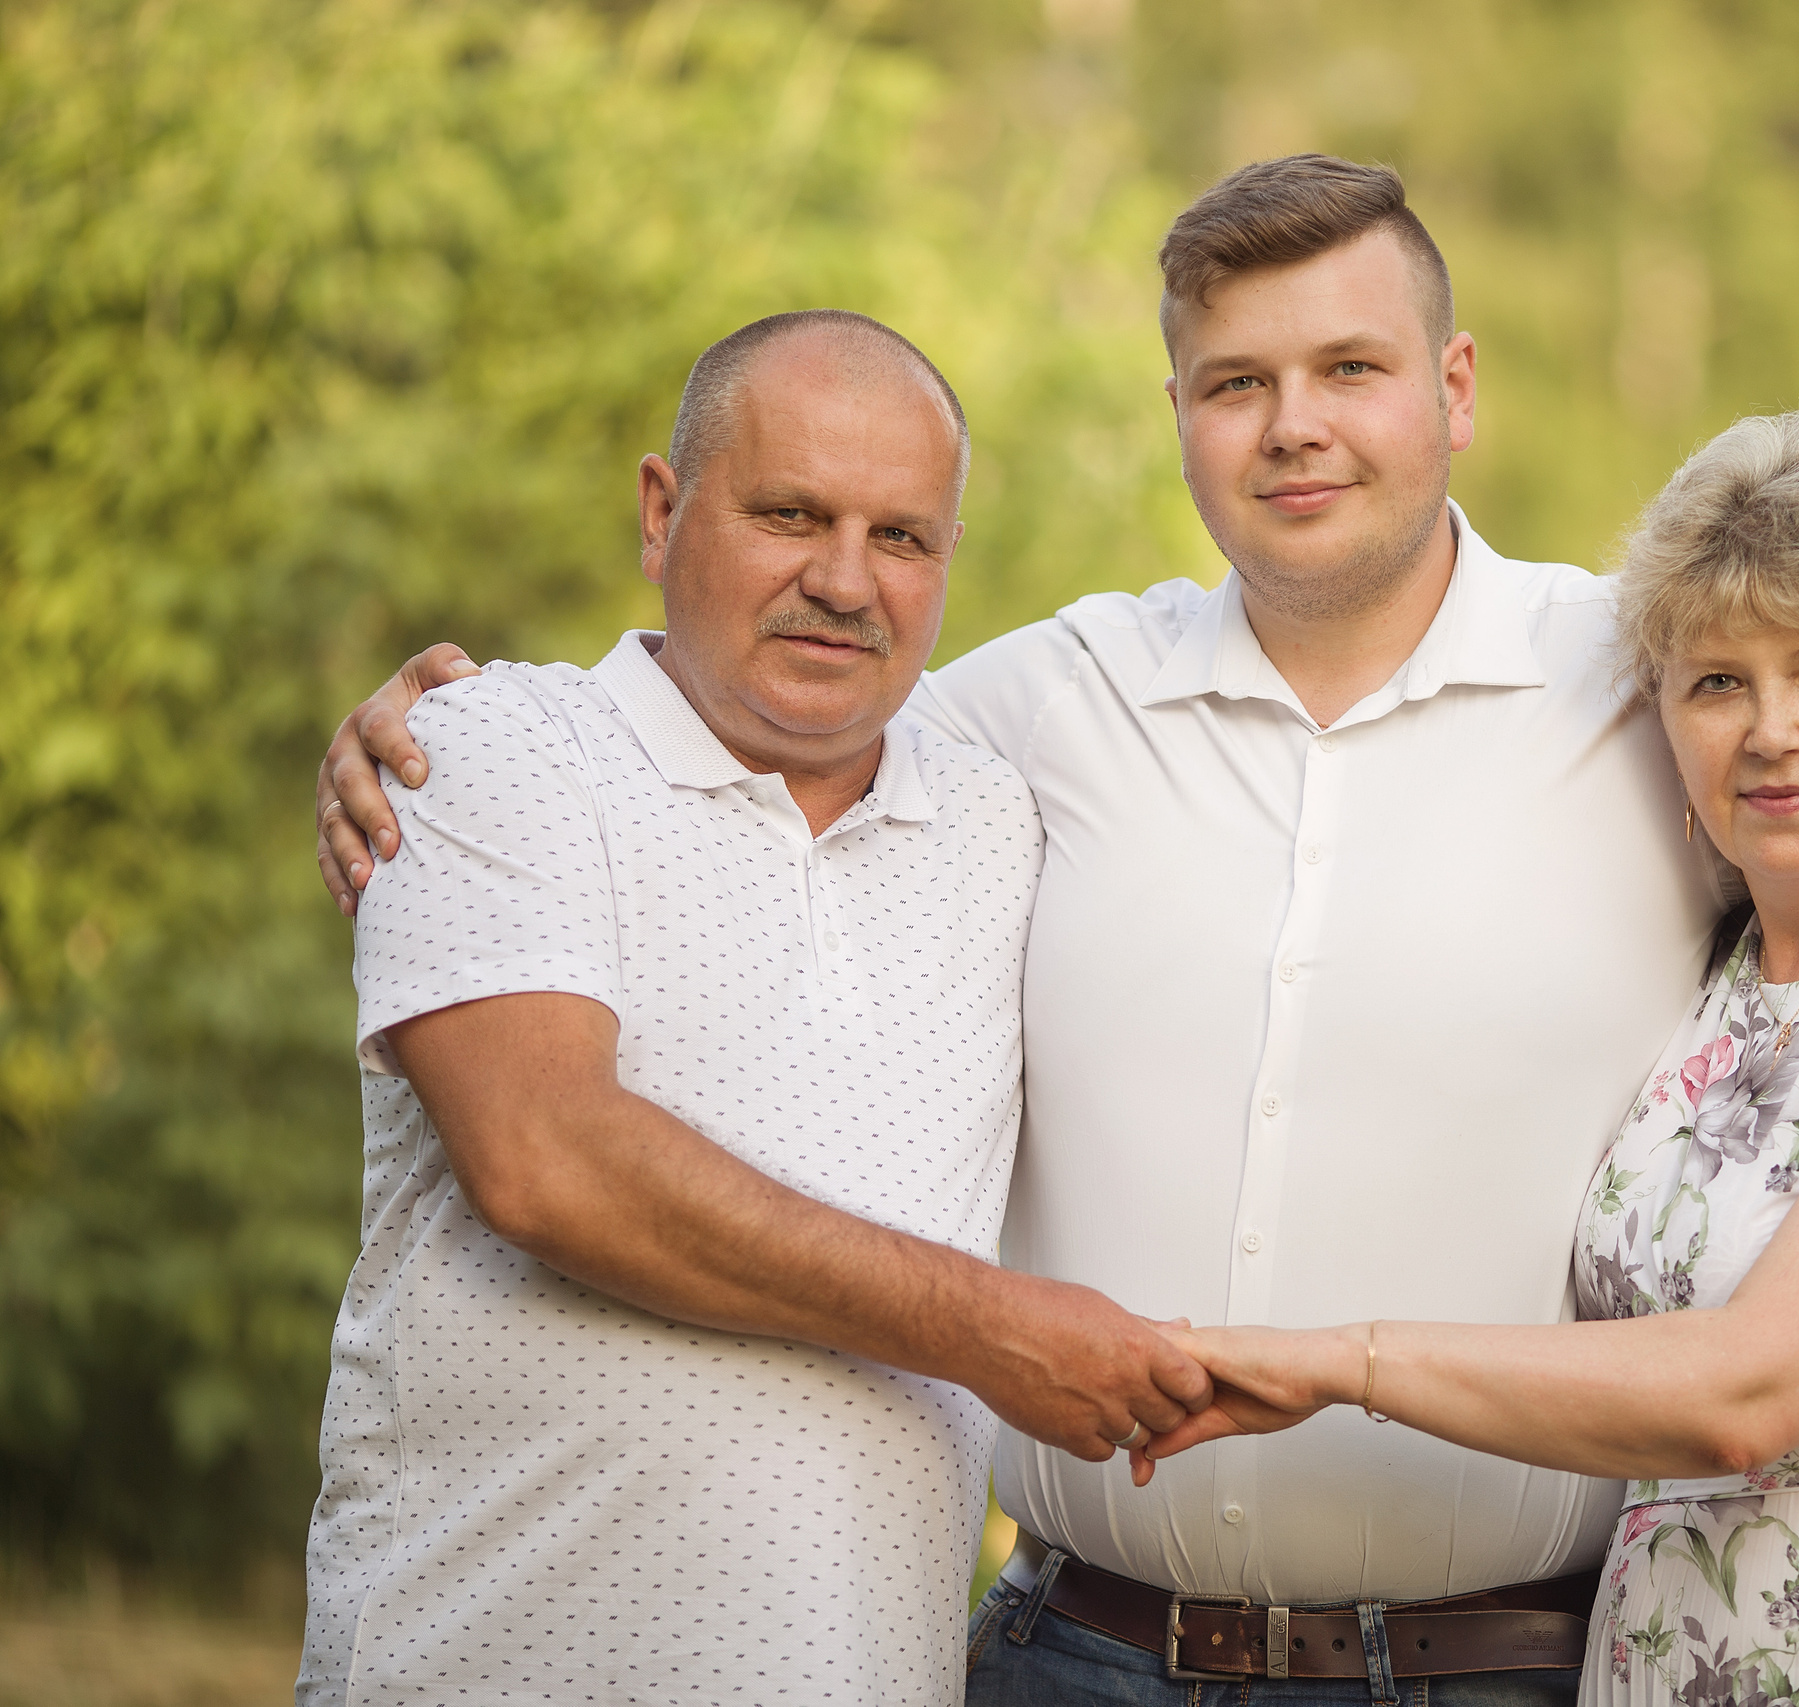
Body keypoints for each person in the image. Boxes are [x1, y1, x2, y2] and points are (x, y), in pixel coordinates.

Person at [312, 160, 1799, 1703]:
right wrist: (460, 737)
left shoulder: (1662, 678)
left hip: (1507, 1667)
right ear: (1181, 420)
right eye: (1237, 384)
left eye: (1349, 369)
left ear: (1452, 390)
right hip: (1080, 1657)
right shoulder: (1037, 707)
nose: (1295, 427)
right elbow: (771, 691)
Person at [1139, 412, 1799, 1706]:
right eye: (1717, 683)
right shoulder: (1714, 985)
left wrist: (1339, 1361)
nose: (1770, 729)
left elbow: (1755, 1388)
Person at [296, 310, 1211, 1707]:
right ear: (661, 513)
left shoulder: (1003, 823)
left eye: (901, 537)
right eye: (790, 514)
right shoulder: (494, 753)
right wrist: (992, 1332)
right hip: (485, 1670)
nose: (844, 581)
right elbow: (546, 1164)